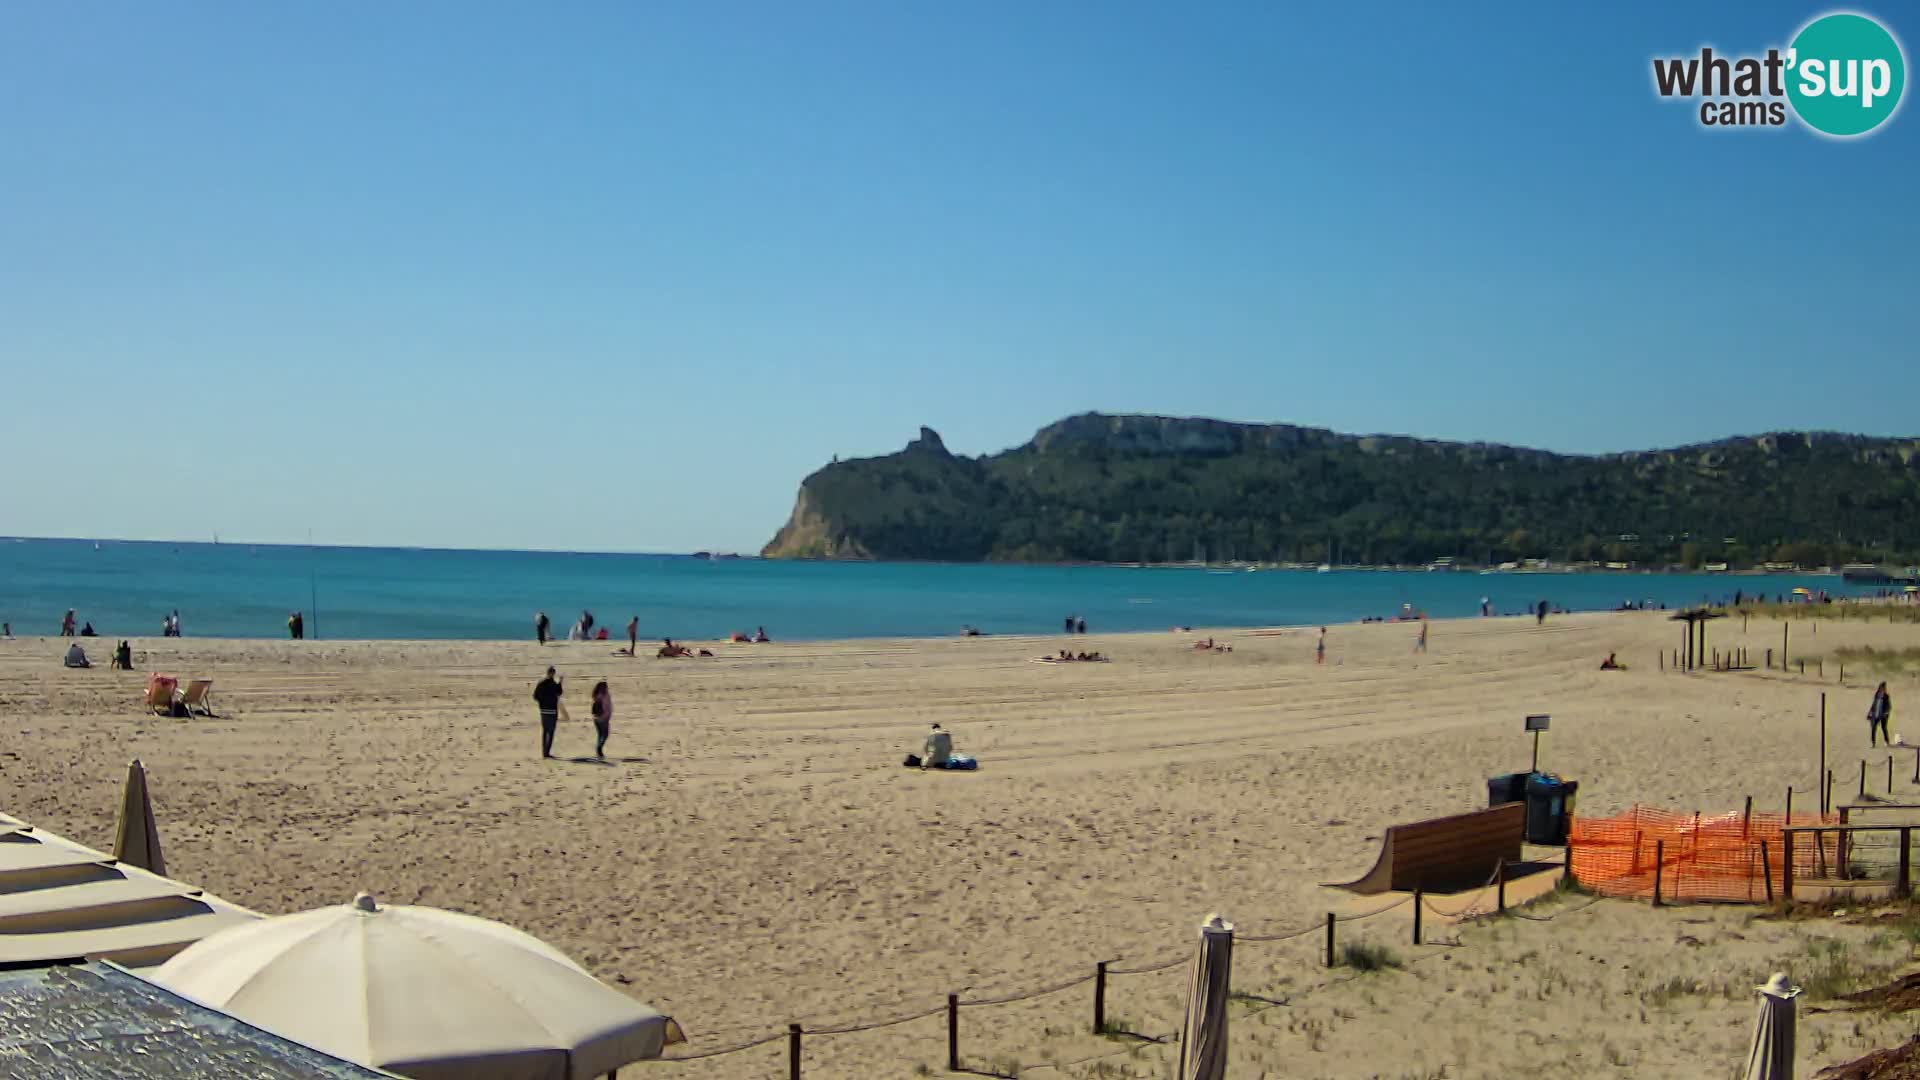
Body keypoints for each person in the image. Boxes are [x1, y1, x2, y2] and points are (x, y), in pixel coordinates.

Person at [533, 667, 564, 759]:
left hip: (543, 710)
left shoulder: (541, 683)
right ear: (552, 673)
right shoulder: (553, 683)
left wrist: (542, 702)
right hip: (552, 710)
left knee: (545, 731)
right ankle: (546, 752)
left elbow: (535, 696)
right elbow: (559, 692)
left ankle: (545, 752)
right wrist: (560, 682)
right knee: (550, 732)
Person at [590, 680, 612, 759]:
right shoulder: (605, 695)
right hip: (604, 718)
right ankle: (599, 748)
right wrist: (607, 717)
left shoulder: (595, 694)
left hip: (596, 718)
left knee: (600, 735)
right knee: (605, 735)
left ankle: (599, 750)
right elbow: (608, 708)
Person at [1870, 682, 1893, 748]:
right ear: (1880, 688)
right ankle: (1873, 743)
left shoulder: (1886, 696)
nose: (1883, 689)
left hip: (1883, 715)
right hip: (1876, 714)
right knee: (1873, 728)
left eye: (1884, 688)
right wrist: (1871, 711)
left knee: (1883, 728)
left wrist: (1886, 712)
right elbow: (1874, 703)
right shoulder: (1877, 694)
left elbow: (1889, 706)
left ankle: (1887, 741)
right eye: (1882, 688)